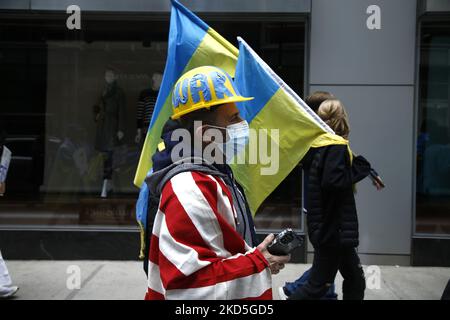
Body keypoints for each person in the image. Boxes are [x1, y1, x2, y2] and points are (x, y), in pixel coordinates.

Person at [143, 66, 290, 300]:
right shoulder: (189, 187)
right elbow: (189, 288)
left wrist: (258, 258)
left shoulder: (213, 172)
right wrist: (259, 261)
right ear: (205, 133)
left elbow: (221, 251)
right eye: (233, 118)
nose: (243, 123)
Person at [287, 99, 375, 300]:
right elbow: (333, 182)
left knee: (355, 278)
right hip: (334, 230)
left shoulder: (320, 144)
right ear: (342, 118)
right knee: (317, 286)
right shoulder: (334, 147)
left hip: (331, 228)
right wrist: (361, 168)